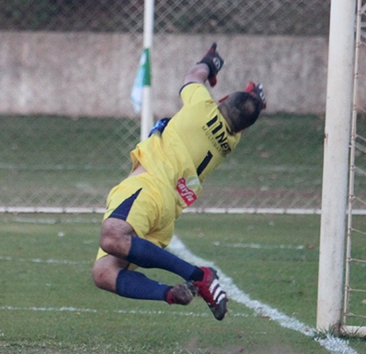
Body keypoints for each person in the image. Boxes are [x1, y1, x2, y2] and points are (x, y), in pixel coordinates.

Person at [92, 43, 266, 320]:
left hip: (149, 189)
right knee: (104, 273)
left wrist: (210, 63)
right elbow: (244, 112)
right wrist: (254, 99)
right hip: (166, 214)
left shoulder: (201, 106)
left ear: (220, 100)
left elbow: (193, 75)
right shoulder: (231, 140)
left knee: (112, 237)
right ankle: (171, 294)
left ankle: (199, 275)